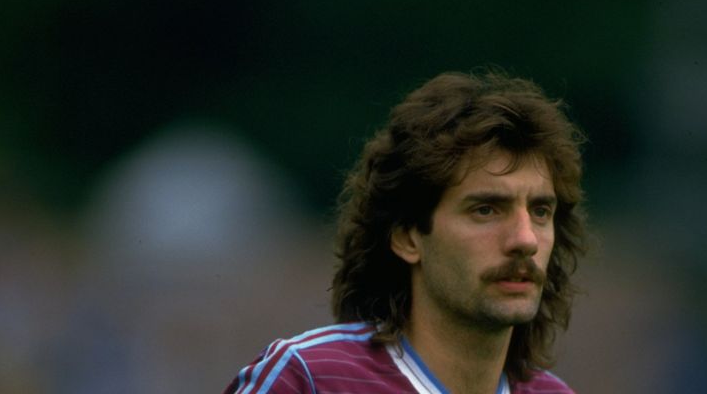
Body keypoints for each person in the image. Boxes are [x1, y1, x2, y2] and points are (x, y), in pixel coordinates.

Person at [224, 69, 589, 394]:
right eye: (486, 210)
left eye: (541, 211)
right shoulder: (309, 380)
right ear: (407, 236)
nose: (525, 239)